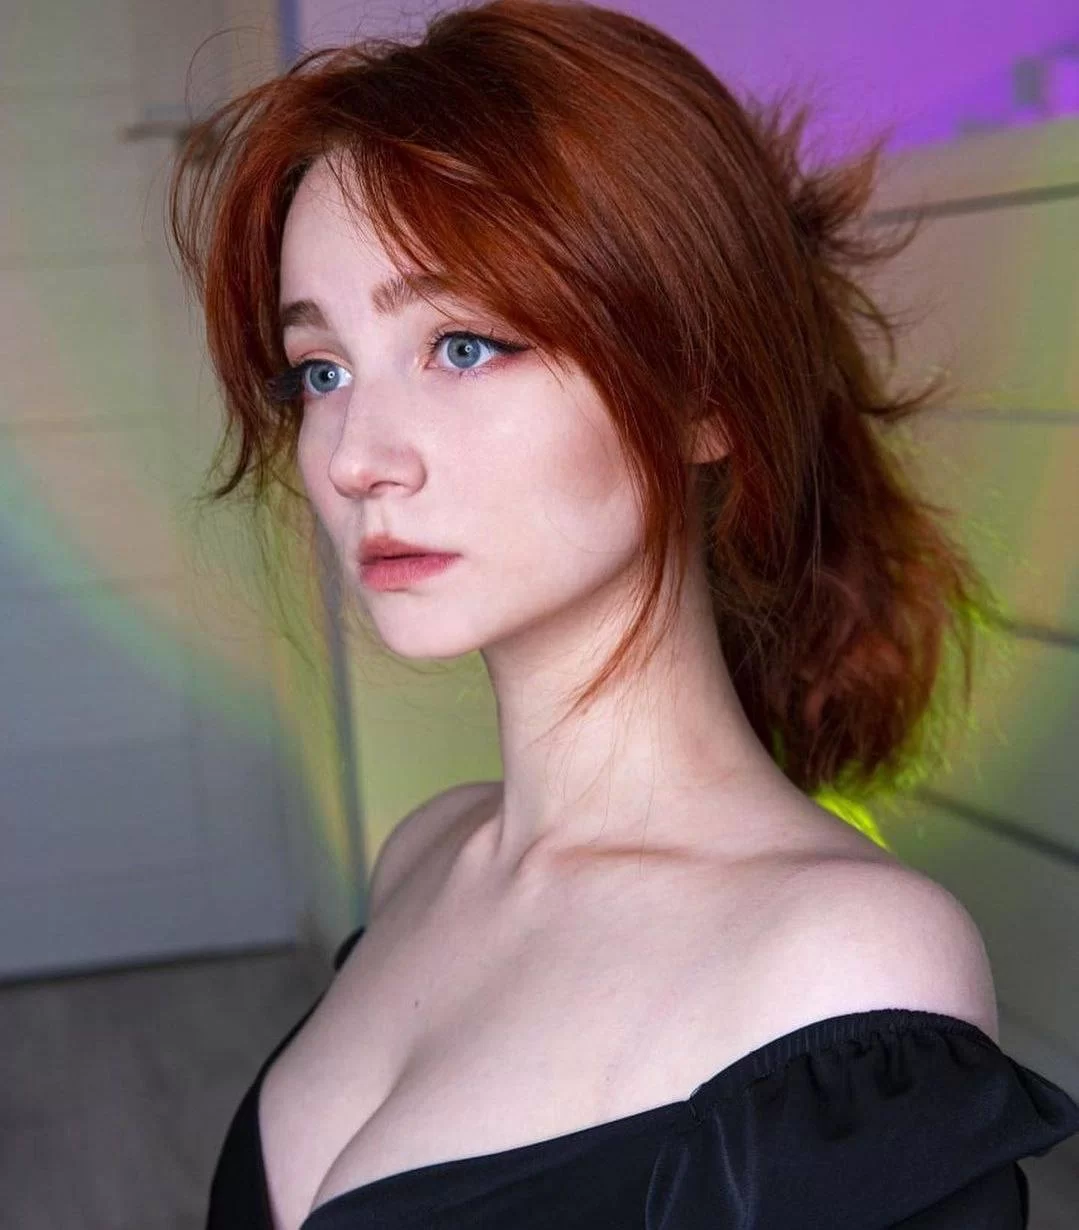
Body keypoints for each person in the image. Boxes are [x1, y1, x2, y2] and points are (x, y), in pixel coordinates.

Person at [168, 1, 1079, 1226]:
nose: (354, 458)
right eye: (321, 370)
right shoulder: (426, 855)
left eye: (463, 346)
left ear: (703, 391)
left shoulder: (842, 970)